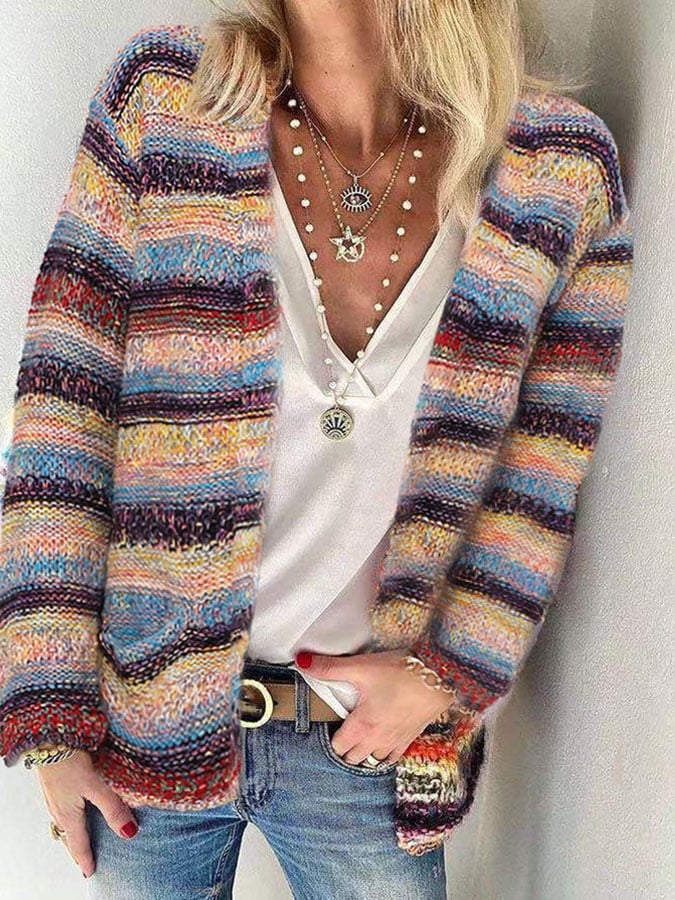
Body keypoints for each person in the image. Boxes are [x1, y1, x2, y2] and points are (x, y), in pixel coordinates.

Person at [0, 2, 633, 898]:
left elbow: (542, 475)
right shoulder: (167, 100)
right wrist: (51, 724)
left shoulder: (558, 172)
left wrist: (447, 677)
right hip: (142, 729)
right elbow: (63, 414)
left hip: (371, 746)